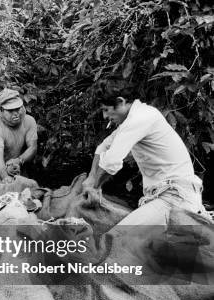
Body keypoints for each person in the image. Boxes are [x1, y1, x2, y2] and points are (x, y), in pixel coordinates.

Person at [83, 83, 209, 225]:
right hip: (165, 196)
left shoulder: (140, 118)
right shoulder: (134, 119)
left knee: (117, 239)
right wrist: (92, 177)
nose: (105, 116)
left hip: (174, 197)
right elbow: (104, 146)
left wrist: (95, 188)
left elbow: (111, 162)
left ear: (120, 102)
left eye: (106, 109)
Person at [0, 88, 38, 203]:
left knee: (25, 202)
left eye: (17, 109)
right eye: (10, 110)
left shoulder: (29, 121)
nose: (16, 113)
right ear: (2, 110)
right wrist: (5, 177)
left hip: (15, 164)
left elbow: (33, 147)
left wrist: (19, 160)